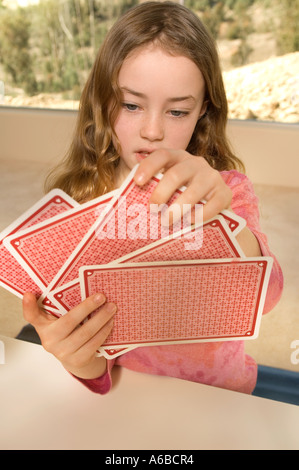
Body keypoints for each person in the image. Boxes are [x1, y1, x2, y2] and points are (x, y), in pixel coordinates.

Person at [22, 1, 283, 395]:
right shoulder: (83, 204)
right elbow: (98, 368)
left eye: (177, 111)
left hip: (222, 400)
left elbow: (268, 294)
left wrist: (222, 214)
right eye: (131, 105)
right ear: (102, 103)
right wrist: (78, 359)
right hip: (131, 399)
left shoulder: (228, 191)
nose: (153, 130)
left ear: (202, 114)